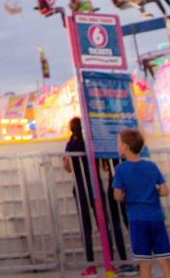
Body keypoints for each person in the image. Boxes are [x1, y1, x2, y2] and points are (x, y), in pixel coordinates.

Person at [62, 117, 129, 276]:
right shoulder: (91, 143)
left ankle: (90, 265)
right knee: (104, 224)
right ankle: (110, 261)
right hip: (95, 185)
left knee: (86, 227)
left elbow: (68, 167)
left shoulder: (71, 145)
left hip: (80, 187)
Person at [113, 129, 170, 278]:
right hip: (156, 217)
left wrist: (130, 195)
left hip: (137, 218)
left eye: (118, 143)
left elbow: (117, 196)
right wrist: (151, 192)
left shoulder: (120, 169)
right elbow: (165, 191)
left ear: (126, 146)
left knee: (144, 262)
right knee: (164, 260)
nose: (117, 146)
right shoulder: (151, 166)